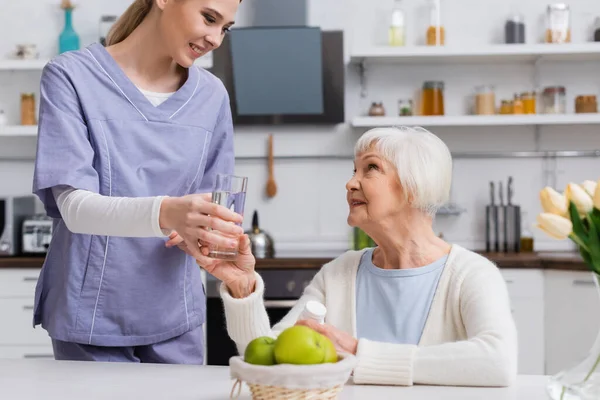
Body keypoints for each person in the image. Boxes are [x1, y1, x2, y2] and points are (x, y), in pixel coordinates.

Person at [204, 126, 518, 387]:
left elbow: (497, 361)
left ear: (413, 186)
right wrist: (242, 286)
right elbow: (268, 355)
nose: (351, 182)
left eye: (371, 168)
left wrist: (360, 354)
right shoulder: (339, 274)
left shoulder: (471, 274)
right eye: (354, 170)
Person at [31, 0, 246, 364]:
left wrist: (214, 233)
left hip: (177, 316)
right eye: (209, 18)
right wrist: (170, 212)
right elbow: (75, 209)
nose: (215, 39)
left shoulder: (212, 95)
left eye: (225, 28)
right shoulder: (71, 77)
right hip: (93, 320)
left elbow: (216, 209)